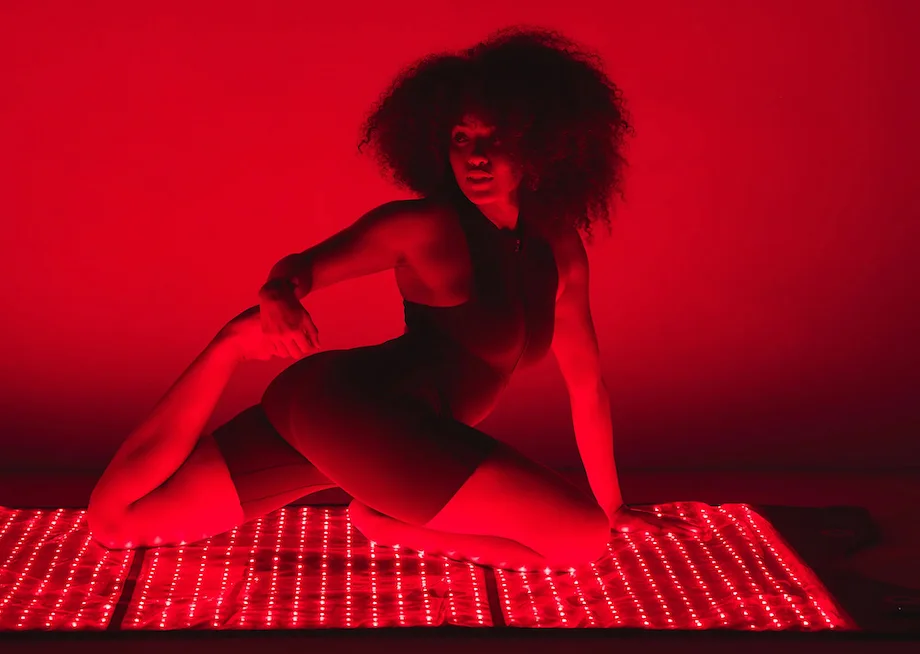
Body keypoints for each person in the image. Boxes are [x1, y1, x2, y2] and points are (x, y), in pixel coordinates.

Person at [86, 27, 697, 572]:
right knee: (581, 540)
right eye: (462, 137)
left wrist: (613, 503)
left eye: (497, 137)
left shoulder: (558, 246)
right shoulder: (425, 226)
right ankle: (235, 359)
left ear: (542, 149)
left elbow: (587, 385)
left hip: (380, 429)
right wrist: (274, 298)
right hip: (353, 411)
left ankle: (389, 514)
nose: (476, 155)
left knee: (593, 529)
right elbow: (301, 270)